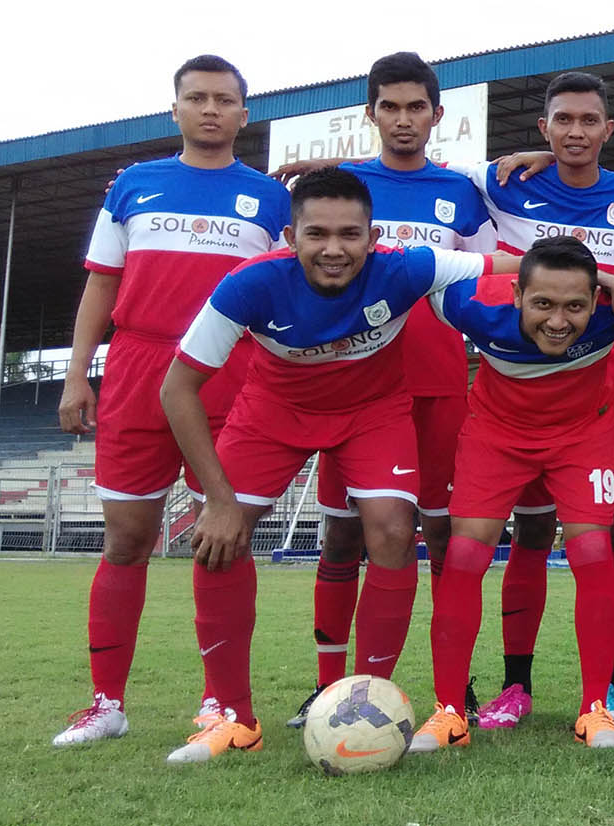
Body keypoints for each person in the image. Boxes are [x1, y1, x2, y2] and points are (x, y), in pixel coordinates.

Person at [155, 168, 527, 763]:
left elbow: (517, 265)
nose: (334, 249)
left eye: (350, 234)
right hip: (274, 410)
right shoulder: (248, 284)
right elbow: (177, 389)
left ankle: (366, 698)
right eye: (317, 234)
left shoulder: (407, 268)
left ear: (373, 237)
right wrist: (219, 501)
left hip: (372, 412)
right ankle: (233, 716)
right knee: (218, 538)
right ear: (290, 237)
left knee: (393, 531)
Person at [53, 55, 292, 748]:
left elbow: (289, 285)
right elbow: (102, 283)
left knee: (223, 537)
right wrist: (76, 374)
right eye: (197, 98)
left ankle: (224, 704)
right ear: (176, 109)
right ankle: (106, 704)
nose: (210, 109)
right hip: (137, 366)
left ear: (244, 113)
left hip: (229, 369)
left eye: (224, 99)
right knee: (126, 539)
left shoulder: (270, 199)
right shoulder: (134, 185)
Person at [285, 51, 499, 729]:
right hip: (352, 386)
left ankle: (452, 686)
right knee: (343, 537)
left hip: (438, 385)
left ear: (437, 115)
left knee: (444, 538)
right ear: (370, 113)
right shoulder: (343, 188)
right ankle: (330, 687)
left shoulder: (463, 191)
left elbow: (488, 279)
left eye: (416, 107)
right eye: (390, 107)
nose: (404, 119)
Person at [410, 235, 614, 753]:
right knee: (463, 556)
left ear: (595, 301)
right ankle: (449, 711)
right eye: (542, 303)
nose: (558, 321)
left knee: (594, 549)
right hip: (495, 437)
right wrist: (609, 276)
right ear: (517, 295)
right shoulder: (470, 304)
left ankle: (594, 708)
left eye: (574, 307)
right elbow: (410, 272)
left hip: (582, 437)